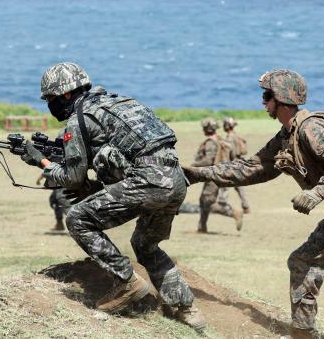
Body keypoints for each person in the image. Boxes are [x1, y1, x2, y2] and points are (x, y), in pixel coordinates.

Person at [183, 70, 324, 339]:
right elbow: (253, 168)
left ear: (283, 99)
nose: (263, 102)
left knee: (302, 263)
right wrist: (198, 174)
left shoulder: (311, 127)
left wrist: (317, 193)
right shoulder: (286, 136)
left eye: (267, 96)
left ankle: (303, 334)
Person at [19, 62, 206, 332]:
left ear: (66, 94)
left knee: (78, 219)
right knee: (145, 245)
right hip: (175, 179)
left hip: (148, 181)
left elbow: (72, 177)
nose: (50, 104)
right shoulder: (120, 103)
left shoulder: (79, 118)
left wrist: (43, 163)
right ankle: (188, 311)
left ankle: (127, 282)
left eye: (51, 98)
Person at [192, 118, 243, 233]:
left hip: (212, 176)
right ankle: (202, 227)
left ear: (207, 129)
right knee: (203, 200)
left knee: (208, 202)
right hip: (217, 174)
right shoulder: (219, 140)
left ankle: (234, 213)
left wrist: (194, 165)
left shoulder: (211, 142)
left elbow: (208, 160)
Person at [222, 117, 251, 214]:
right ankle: (245, 206)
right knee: (239, 187)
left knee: (224, 184)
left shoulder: (229, 138)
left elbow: (230, 153)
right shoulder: (236, 136)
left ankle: (222, 205)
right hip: (239, 163)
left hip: (232, 164)